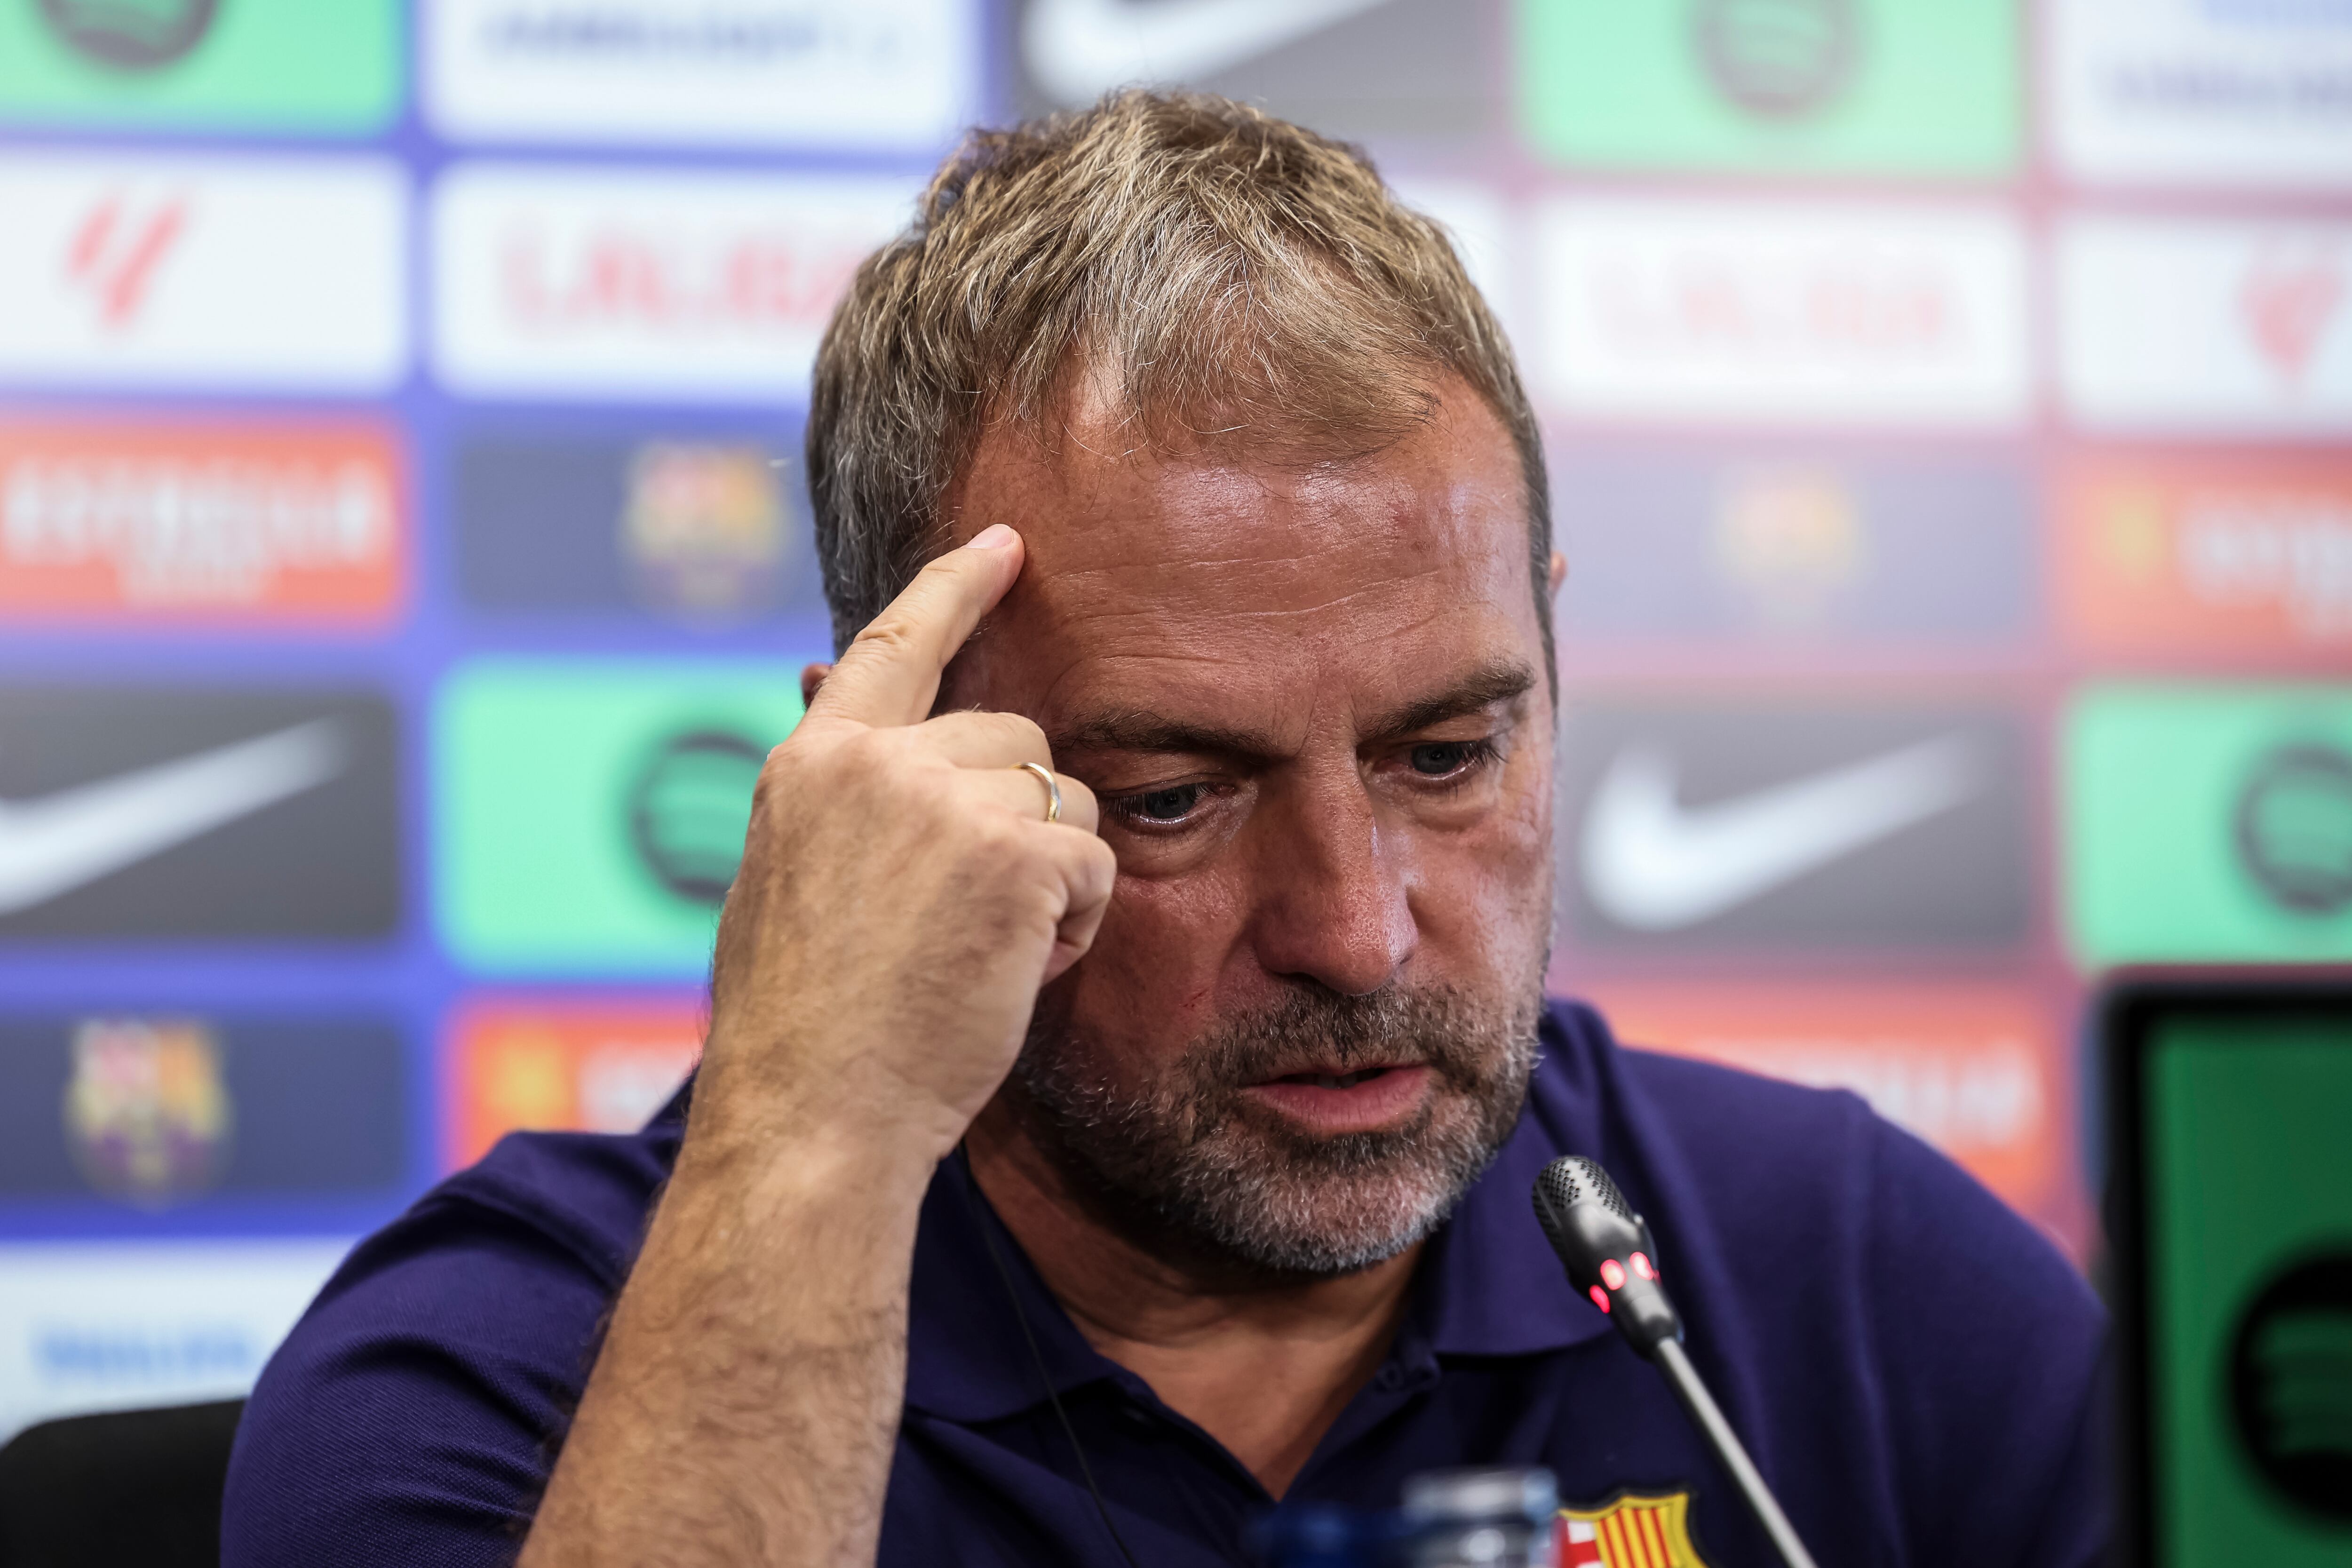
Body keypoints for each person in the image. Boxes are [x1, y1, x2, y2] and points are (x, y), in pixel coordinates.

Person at [222, 92, 2103, 1568]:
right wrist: (812, 1136)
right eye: (1173, 796)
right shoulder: (500, 1370)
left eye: (1444, 754)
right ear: (876, 781)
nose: (1356, 933)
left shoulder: (1845, 1288)